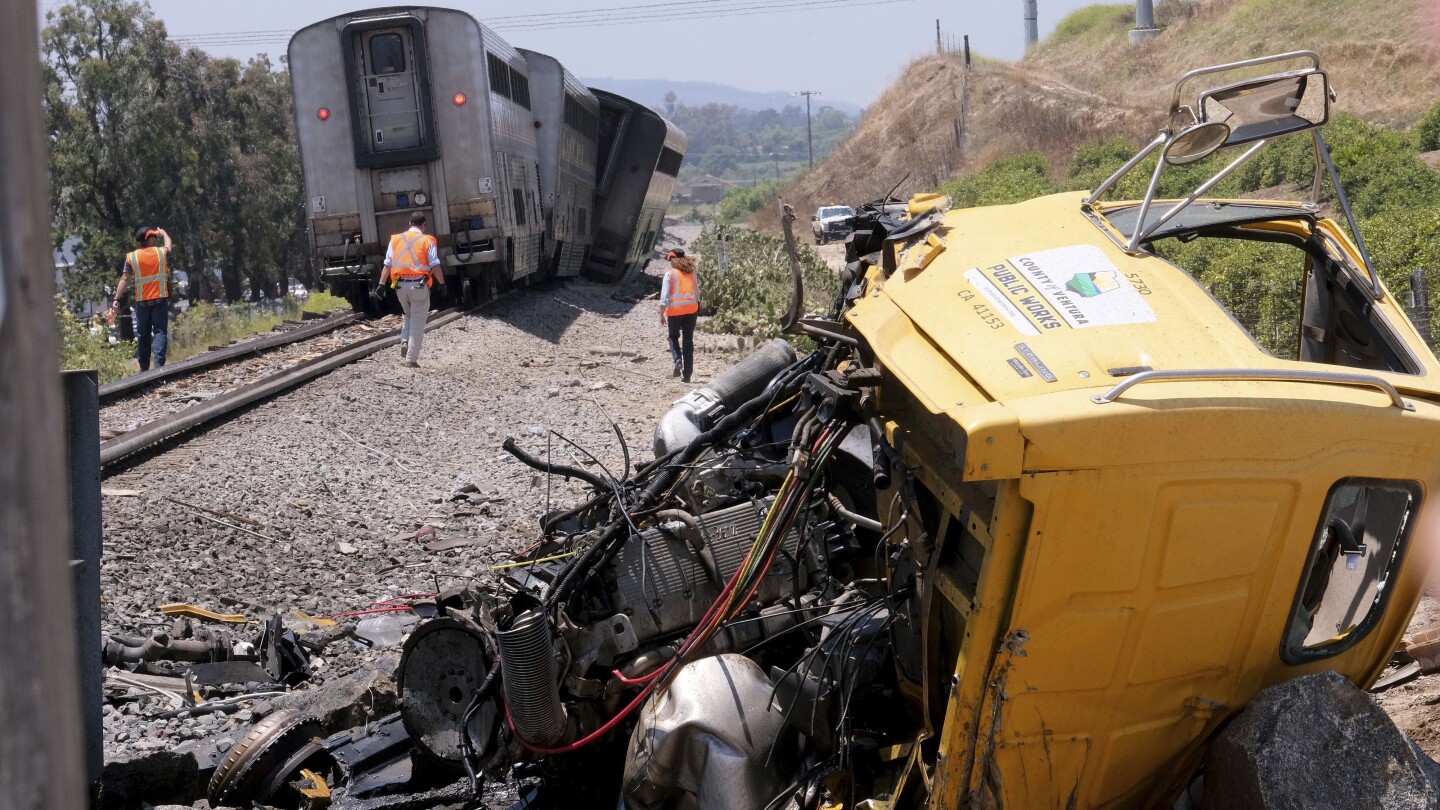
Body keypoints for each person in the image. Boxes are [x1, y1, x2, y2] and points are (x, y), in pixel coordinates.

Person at [378, 212, 445, 367]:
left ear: (409, 224)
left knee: (408, 315)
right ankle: (411, 360)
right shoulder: (427, 240)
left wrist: (381, 284)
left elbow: (387, 264)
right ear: (423, 226)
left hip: (399, 286)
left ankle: (404, 340)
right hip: (419, 286)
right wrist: (442, 284)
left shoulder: (395, 239)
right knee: (418, 323)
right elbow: (434, 265)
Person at [112, 226, 173, 372]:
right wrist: (164, 233)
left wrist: (116, 299)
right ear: (149, 238)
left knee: (143, 335)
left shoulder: (131, 257)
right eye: (153, 237)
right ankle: (158, 367)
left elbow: (124, 279)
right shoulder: (160, 253)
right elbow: (169, 245)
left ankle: (144, 369)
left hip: (142, 302)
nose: (155, 239)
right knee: (159, 332)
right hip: (159, 299)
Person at [660, 248, 699, 383]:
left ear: (674, 260)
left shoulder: (670, 274)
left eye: (671, 260)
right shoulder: (691, 274)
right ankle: (687, 376)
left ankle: (678, 361)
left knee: (672, 337)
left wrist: (662, 312)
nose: (670, 262)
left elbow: (664, 295)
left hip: (675, 311)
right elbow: (697, 294)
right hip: (692, 309)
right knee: (688, 340)